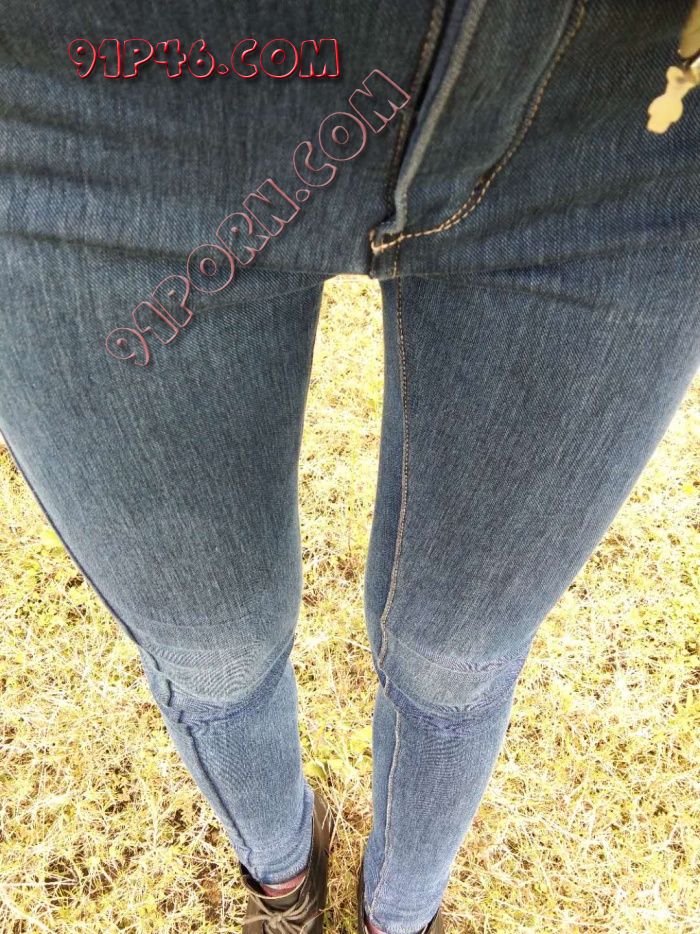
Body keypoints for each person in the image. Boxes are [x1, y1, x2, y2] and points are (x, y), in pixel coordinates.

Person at [1, 2, 698, 931]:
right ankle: (285, 878)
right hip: (113, 88)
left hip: (621, 114)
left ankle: (398, 914)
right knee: (214, 652)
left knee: (455, 662)